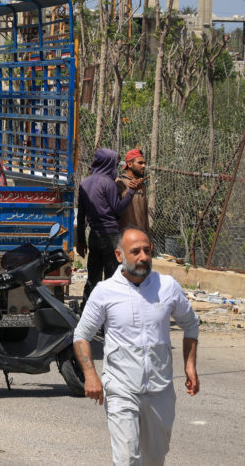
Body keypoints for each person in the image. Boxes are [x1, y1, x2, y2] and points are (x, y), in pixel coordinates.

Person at [73, 226, 200, 465]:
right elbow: (81, 335)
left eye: (146, 250)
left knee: (154, 459)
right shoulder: (104, 292)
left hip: (160, 390)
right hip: (121, 389)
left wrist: (190, 365)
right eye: (135, 252)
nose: (143, 257)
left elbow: (191, 324)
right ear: (119, 256)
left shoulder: (167, 287)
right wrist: (90, 374)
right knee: (127, 459)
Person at [77, 148, 143, 303]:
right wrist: (131, 191)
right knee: (112, 277)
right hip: (111, 236)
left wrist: (80, 240)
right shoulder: (108, 183)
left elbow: (81, 216)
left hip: (94, 236)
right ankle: (109, 314)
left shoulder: (85, 183)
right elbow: (118, 210)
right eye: (114, 162)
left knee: (93, 276)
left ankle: (86, 310)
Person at [116, 148, 149, 235]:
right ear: (130, 164)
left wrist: (149, 235)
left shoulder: (143, 185)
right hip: (125, 238)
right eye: (140, 163)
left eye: (144, 163)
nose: (144, 166)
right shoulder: (119, 182)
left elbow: (145, 214)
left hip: (141, 236)